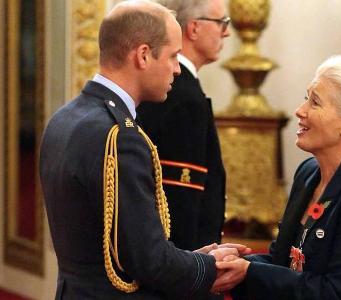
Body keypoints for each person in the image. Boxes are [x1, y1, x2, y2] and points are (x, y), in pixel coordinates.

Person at [39, 1, 247, 298]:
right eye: (174, 56)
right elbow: (149, 261)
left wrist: (194, 258)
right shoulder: (118, 136)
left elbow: (120, 245)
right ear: (144, 55)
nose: (177, 69)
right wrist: (207, 268)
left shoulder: (66, 117)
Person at [210, 56, 341, 299]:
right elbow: (283, 262)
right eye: (305, 98)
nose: (300, 111)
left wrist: (250, 272)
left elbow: (337, 294)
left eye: (315, 102)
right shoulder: (308, 172)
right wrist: (230, 263)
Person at [137, 0, 230, 251]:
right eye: (221, 22)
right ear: (194, 28)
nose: (227, 32)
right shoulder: (183, 97)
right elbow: (180, 200)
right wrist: (193, 272)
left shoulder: (178, 89)